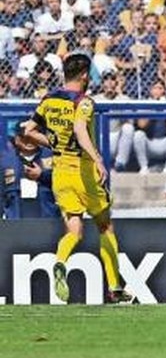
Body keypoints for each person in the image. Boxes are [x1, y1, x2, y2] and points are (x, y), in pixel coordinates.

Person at [21, 53, 135, 303]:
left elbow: (28, 131)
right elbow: (80, 129)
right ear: (84, 75)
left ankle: (60, 261)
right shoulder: (84, 102)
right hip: (83, 172)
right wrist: (97, 159)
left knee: (74, 228)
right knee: (105, 225)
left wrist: (52, 141)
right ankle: (115, 286)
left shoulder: (49, 100)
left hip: (60, 172)